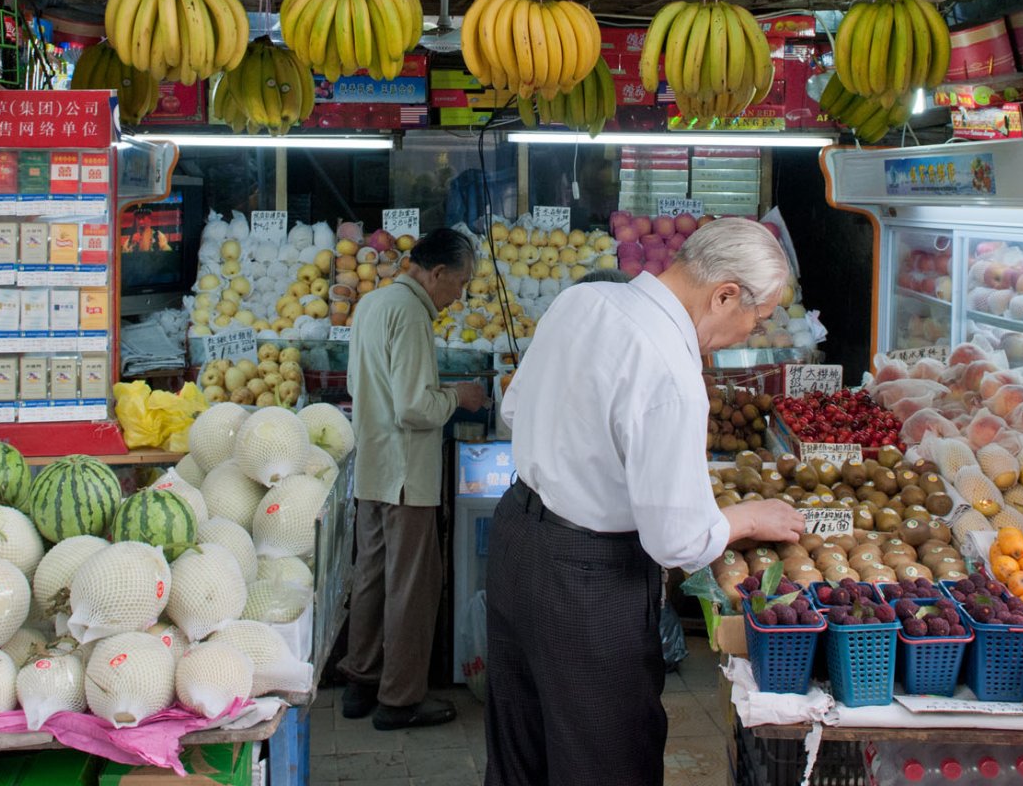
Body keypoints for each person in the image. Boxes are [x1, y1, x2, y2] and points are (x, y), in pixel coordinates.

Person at [485, 217, 806, 786]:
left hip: (516, 541)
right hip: (588, 577)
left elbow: (514, 411)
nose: (751, 333)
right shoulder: (672, 371)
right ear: (724, 294)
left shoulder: (583, 301)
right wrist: (748, 516)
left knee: (520, 754)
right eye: (757, 318)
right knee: (604, 761)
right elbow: (677, 540)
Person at [339, 226, 488, 730]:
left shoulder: (373, 305)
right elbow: (414, 407)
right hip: (407, 473)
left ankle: (361, 680)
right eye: (460, 283)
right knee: (411, 586)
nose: (459, 295)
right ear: (437, 272)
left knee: (372, 577)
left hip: (374, 466)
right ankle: (399, 699)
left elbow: (377, 385)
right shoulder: (411, 313)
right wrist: (459, 397)